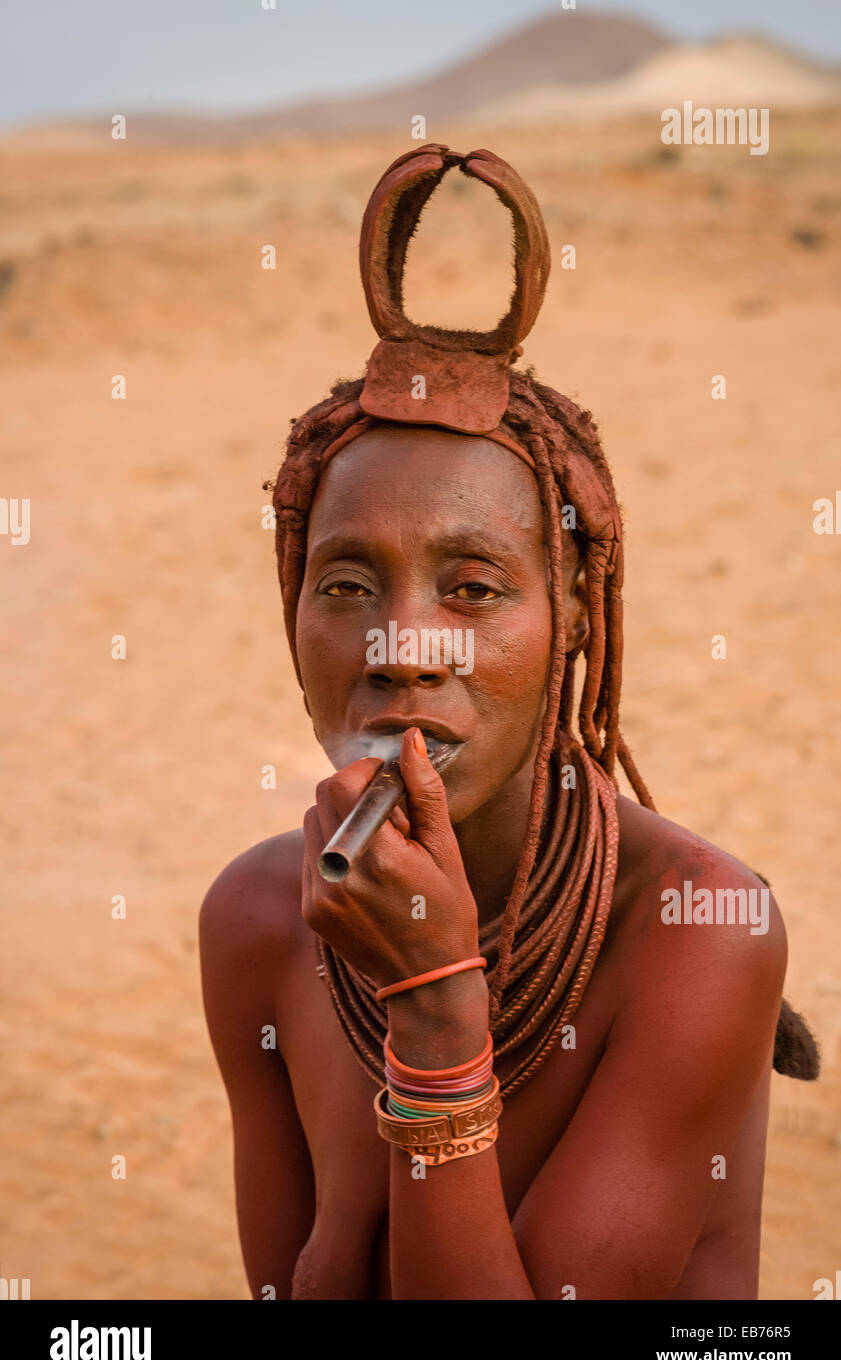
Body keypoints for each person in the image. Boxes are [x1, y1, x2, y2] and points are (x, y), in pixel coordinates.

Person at [199, 146, 818, 1301]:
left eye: (472, 588)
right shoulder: (255, 921)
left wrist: (436, 1008)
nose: (401, 644)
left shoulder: (697, 929)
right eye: (345, 586)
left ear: (573, 616)